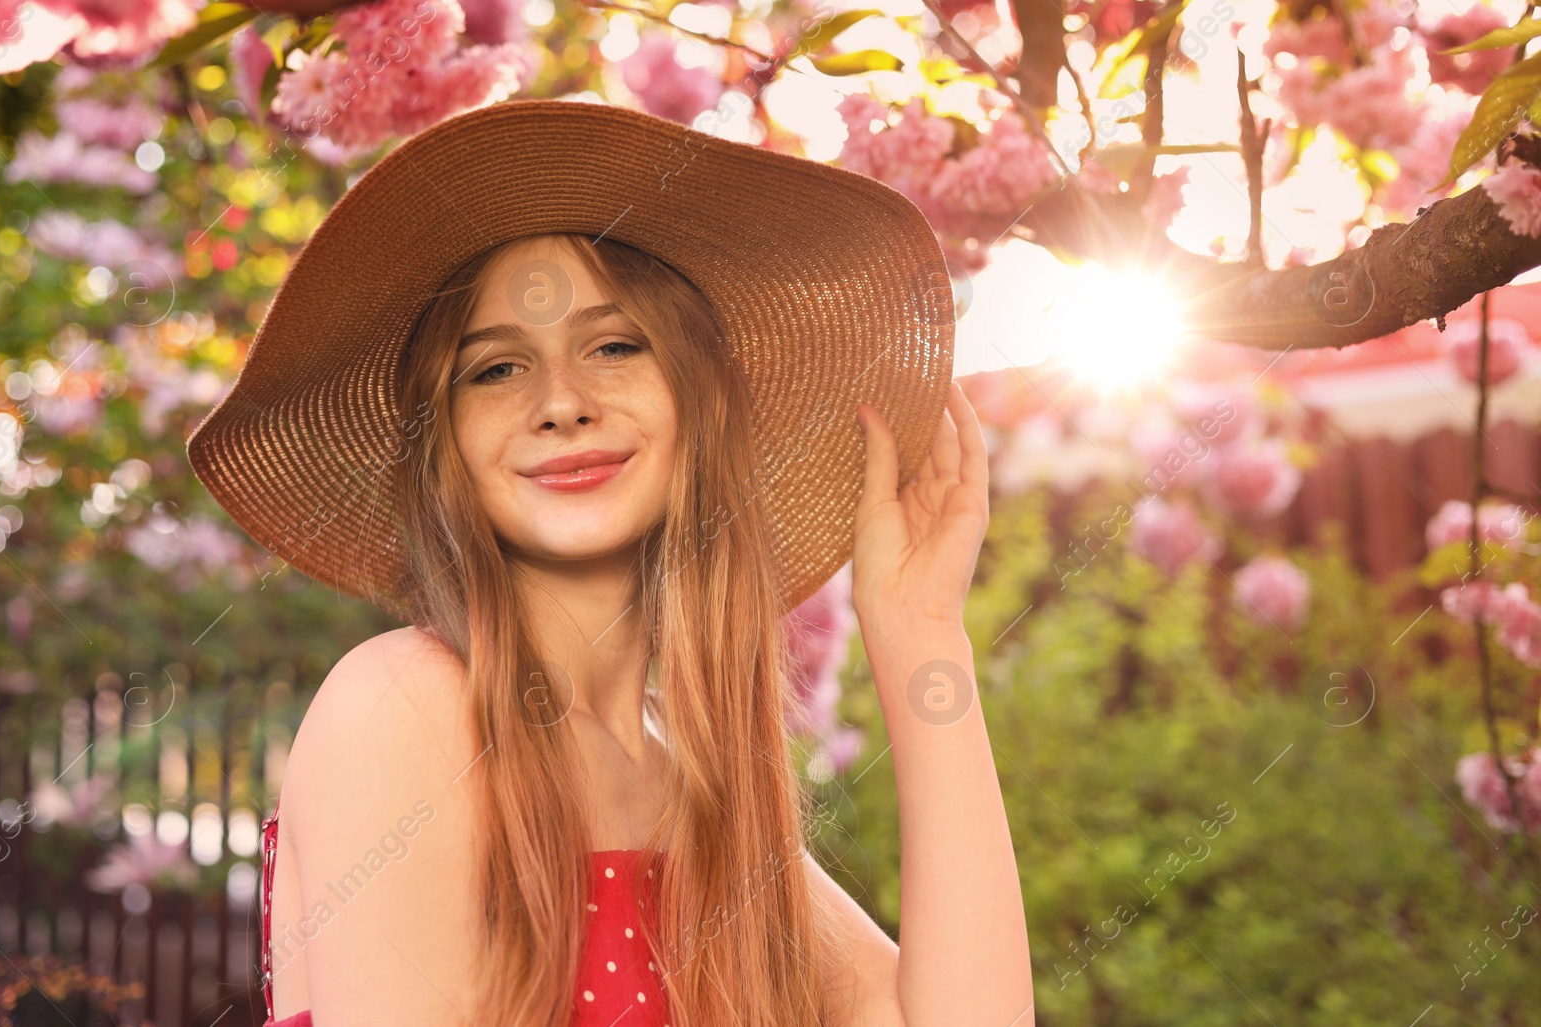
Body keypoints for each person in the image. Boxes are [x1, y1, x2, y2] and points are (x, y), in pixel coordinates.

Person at [188, 98, 1032, 1027]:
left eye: (615, 345)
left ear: (699, 403)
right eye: (496, 369)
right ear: (447, 447)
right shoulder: (406, 706)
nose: (562, 403)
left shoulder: (695, 780)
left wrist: (919, 629)